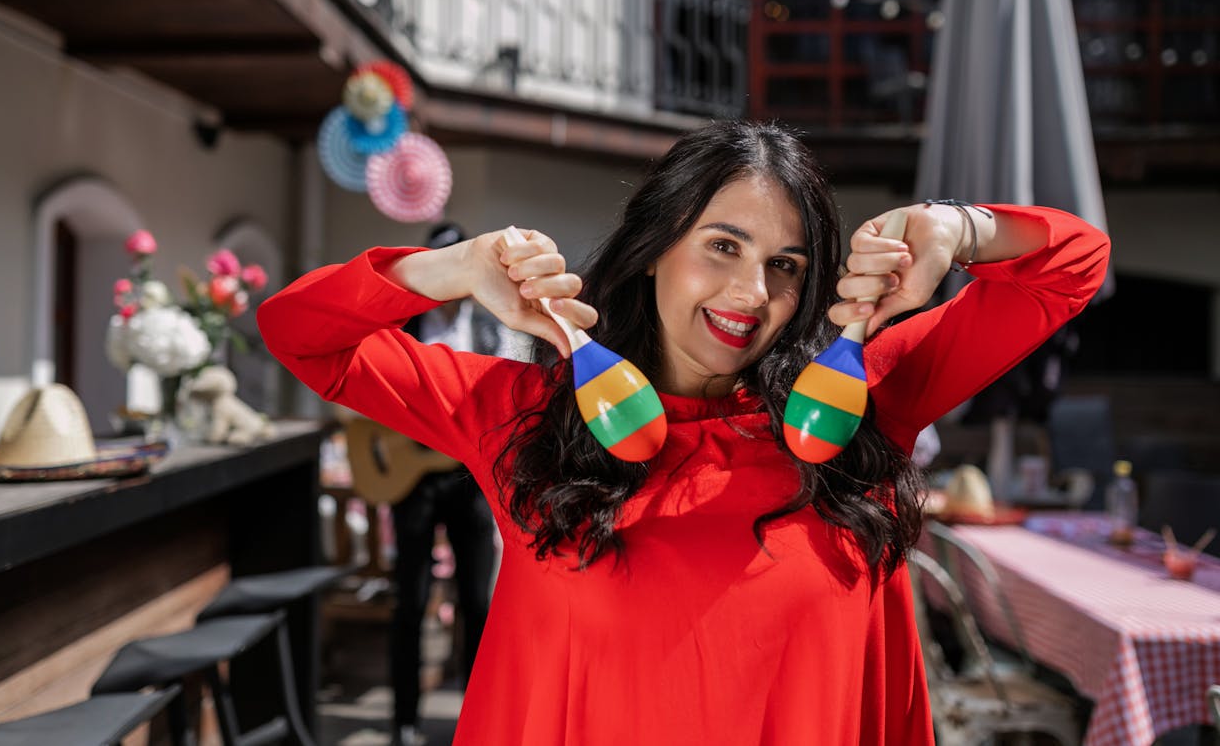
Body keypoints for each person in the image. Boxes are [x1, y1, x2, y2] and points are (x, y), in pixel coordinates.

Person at [259, 121, 1110, 745]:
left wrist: (956, 228)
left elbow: (1070, 268)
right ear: (657, 245)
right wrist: (447, 271)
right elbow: (301, 334)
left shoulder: (869, 398)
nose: (749, 291)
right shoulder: (520, 415)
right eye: (722, 245)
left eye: (785, 265)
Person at [392, 223, 505, 746]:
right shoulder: (402, 326)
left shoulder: (490, 330)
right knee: (410, 600)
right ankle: (404, 721)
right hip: (413, 479)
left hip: (468, 479)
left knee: (478, 601)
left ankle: (474, 721)